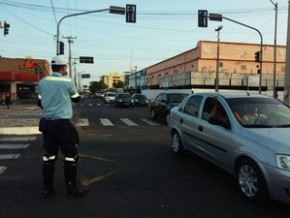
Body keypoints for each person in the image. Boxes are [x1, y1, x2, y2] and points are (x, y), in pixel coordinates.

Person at [38, 56, 87, 197]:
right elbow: (77, 98)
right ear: (64, 68)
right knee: (70, 156)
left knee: (49, 156)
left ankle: (48, 188)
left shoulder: (42, 82)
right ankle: (71, 189)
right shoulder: (67, 81)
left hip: (47, 123)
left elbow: (40, 102)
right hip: (62, 124)